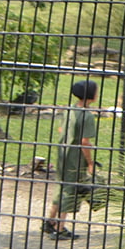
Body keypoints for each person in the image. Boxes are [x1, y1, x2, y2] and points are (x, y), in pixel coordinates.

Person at [42, 80, 99, 240]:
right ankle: (59, 229)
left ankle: (50, 221)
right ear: (91, 95)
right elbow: (84, 142)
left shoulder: (70, 109)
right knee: (70, 191)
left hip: (62, 153)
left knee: (60, 186)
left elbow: (61, 129)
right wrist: (90, 163)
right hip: (75, 158)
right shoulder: (87, 116)